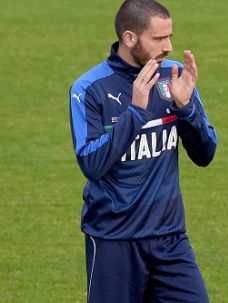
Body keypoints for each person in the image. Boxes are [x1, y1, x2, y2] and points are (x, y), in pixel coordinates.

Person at [69, 1, 217, 302]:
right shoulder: (89, 89)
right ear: (130, 38)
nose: (169, 47)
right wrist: (136, 112)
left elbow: (205, 155)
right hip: (114, 241)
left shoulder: (174, 75)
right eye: (159, 39)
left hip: (169, 237)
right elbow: (92, 164)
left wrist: (186, 110)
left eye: (170, 36)